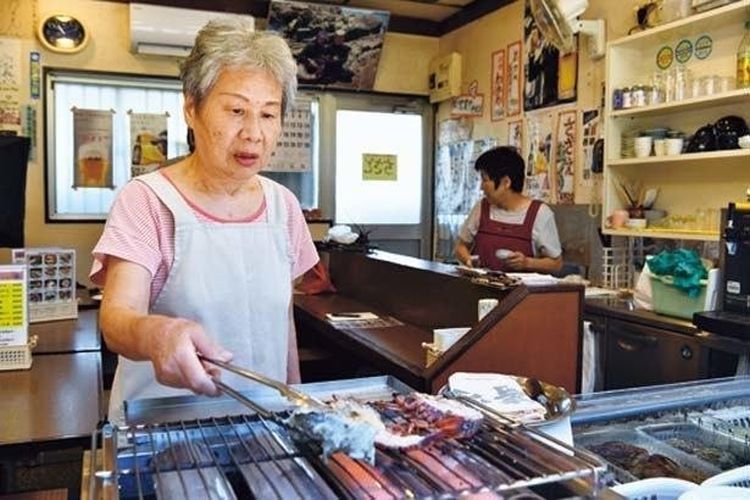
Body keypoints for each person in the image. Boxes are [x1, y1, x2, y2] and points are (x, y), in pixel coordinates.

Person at [90, 19, 319, 425]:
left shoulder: (283, 205)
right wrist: (158, 335)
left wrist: (294, 401)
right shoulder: (146, 200)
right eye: (236, 111)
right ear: (192, 109)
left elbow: (281, 319)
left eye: (268, 114)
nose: (253, 133)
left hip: (264, 421)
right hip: (165, 427)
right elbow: (116, 318)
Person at [455, 146, 562, 273]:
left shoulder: (540, 213)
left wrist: (527, 263)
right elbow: (461, 246)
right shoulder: (481, 208)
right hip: (480, 289)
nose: (481, 187)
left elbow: (556, 263)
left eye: (485, 180)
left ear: (506, 182)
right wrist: (468, 259)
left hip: (520, 292)